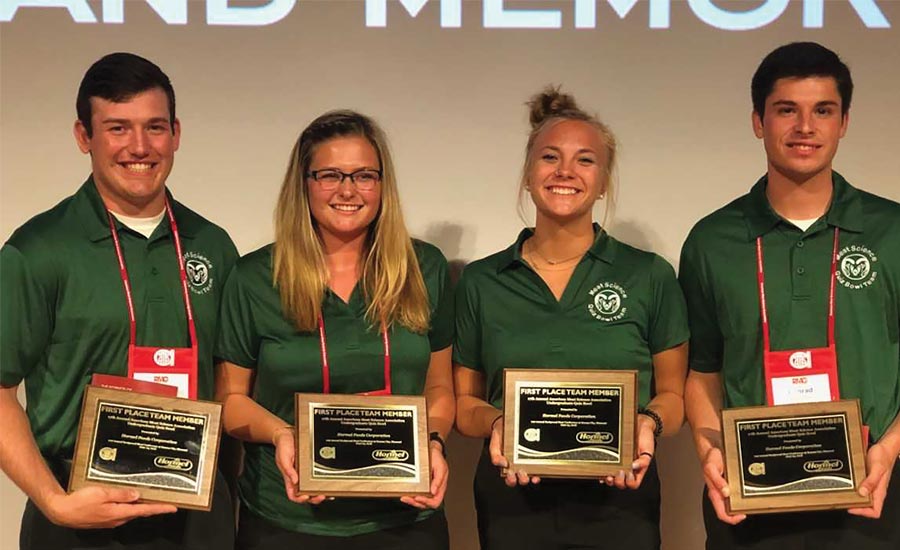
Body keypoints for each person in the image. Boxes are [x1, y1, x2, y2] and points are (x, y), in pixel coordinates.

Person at [0, 52, 238, 549]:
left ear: (176, 133)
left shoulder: (212, 245)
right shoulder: (38, 249)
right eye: (117, 128)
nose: (139, 147)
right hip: (78, 512)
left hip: (195, 511)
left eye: (154, 127)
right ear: (83, 137)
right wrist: (54, 502)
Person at [680, 41, 900, 549]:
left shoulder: (891, 231)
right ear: (758, 121)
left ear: (843, 122)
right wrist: (709, 450)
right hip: (749, 493)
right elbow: (703, 372)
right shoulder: (712, 240)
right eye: (787, 111)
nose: (805, 127)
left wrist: (888, 451)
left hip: (872, 492)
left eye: (823, 110)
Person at [453, 87, 689, 550]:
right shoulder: (482, 281)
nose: (565, 172)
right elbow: (464, 404)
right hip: (513, 501)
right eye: (549, 158)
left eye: (585, 160)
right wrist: (500, 424)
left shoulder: (649, 275)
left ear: (603, 181)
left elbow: (675, 396)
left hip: (621, 498)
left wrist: (647, 424)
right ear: (527, 174)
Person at [214, 110, 454, 550]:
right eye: (329, 175)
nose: (347, 190)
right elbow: (230, 401)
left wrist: (433, 442)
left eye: (364, 175)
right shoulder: (254, 278)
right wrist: (283, 435)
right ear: (303, 183)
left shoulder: (425, 269)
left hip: (405, 517)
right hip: (287, 519)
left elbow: (440, 389)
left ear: (383, 185)